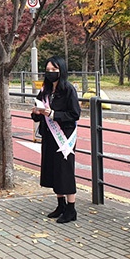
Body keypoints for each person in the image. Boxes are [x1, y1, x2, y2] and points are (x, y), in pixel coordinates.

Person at [31, 56, 81, 224]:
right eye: (48, 70)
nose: (51, 73)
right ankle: (60, 205)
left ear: (62, 70)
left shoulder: (68, 89)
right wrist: (36, 113)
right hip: (49, 136)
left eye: (54, 70)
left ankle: (71, 208)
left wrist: (53, 114)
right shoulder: (45, 89)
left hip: (64, 137)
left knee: (65, 171)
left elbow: (75, 114)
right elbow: (37, 115)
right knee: (53, 170)